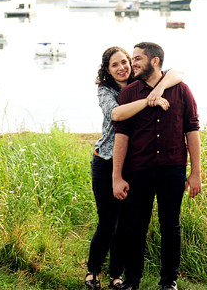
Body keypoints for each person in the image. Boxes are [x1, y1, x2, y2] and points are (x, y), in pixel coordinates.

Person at [86, 46, 184, 290]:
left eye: (125, 62)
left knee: (128, 224)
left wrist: (159, 88)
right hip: (107, 160)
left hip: (134, 163)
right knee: (109, 223)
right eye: (115, 65)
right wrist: (148, 100)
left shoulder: (140, 81)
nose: (122, 68)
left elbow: (176, 74)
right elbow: (117, 114)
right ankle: (93, 270)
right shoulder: (106, 91)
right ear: (107, 71)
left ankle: (117, 275)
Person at [112, 42, 201, 290]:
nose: (133, 63)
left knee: (170, 225)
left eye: (138, 58)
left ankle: (168, 281)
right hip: (139, 169)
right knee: (136, 226)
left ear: (155, 61)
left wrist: (195, 173)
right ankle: (132, 281)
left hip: (173, 169)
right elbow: (122, 136)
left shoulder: (182, 91)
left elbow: (192, 130)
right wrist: (116, 176)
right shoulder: (129, 94)